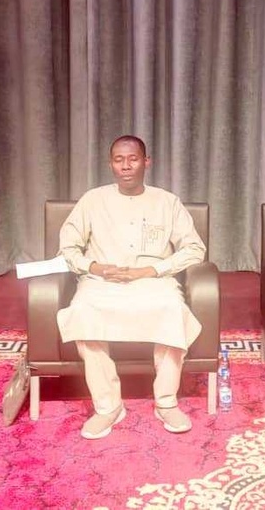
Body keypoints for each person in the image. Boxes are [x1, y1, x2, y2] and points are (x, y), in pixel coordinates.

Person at [56, 135, 206, 439]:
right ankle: (108, 406)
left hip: (153, 281)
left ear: (146, 162)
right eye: (118, 160)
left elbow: (194, 249)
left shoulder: (167, 201)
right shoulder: (92, 200)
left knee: (172, 308)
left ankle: (166, 401)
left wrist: (151, 270)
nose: (126, 166)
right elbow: (68, 249)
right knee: (83, 310)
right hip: (102, 282)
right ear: (111, 164)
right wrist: (96, 267)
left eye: (133, 159)